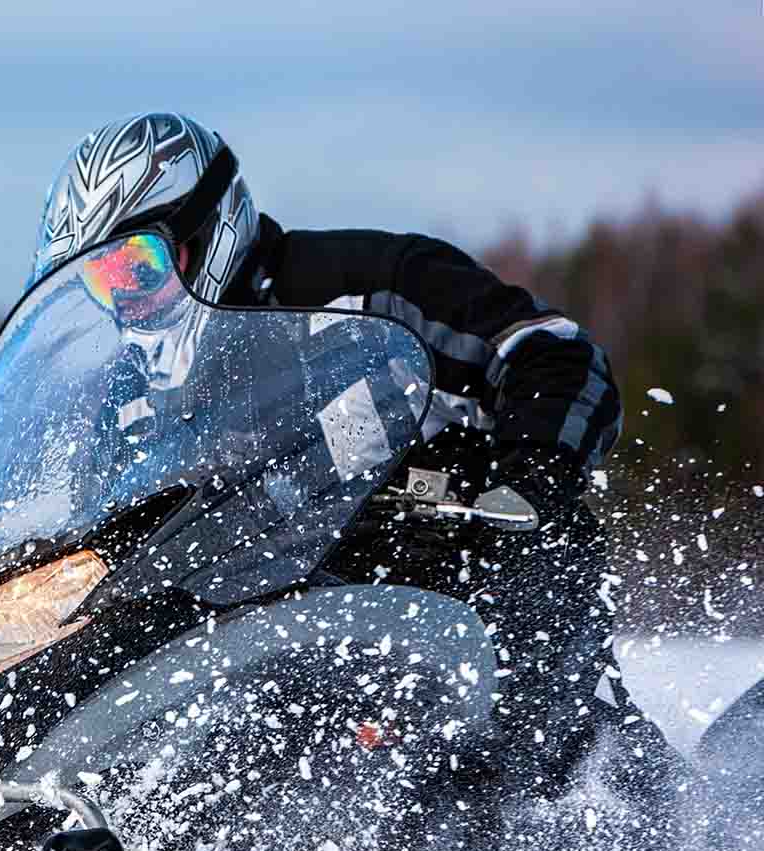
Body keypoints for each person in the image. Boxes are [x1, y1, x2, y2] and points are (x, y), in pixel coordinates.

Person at [33, 111, 676, 804]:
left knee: (539, 742)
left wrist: (530, 474)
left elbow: (552, 352)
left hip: (464, 583)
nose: (125, 299)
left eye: (137, 266)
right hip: (280, 639)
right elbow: (113, 527)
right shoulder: (129, 398)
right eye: (101, 282)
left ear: (207, 230)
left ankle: (641, 822)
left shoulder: (371, 284)